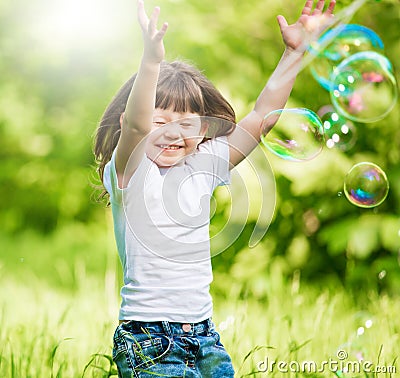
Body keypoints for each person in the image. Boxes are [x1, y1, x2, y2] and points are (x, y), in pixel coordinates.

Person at [94, 0, 335, 376]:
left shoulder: (202, 166)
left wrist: (294, 51)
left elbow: (261, 118)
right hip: (148, 340)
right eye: (161, 120)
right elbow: (138, 129)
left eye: (187, 123)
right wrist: (151, 62)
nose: (173, 132)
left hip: (205, 337)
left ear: (204, 129)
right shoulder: (130, 172)